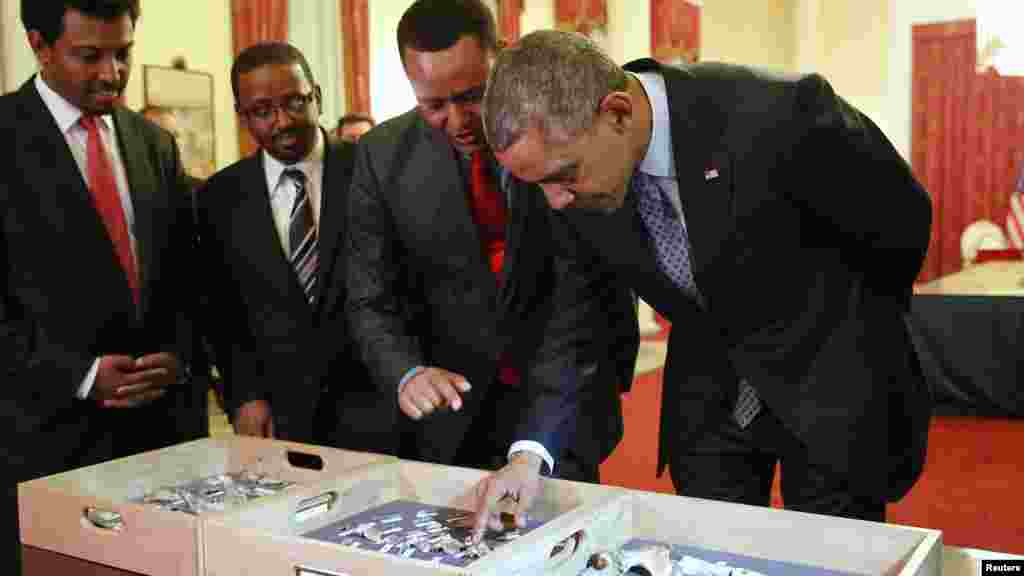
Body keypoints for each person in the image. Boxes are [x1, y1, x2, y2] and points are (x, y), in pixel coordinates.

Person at [473, 29, 932, 533]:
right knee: (710, 552)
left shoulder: (780, 114)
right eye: (539, 185)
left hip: (827, 385)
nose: (556, 200)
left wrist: (846, 332)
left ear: (619, 113)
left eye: (565, 176)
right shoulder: (570, 182)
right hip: (710, 397)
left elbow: (901, 224)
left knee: (833, 555)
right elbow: (574, 320)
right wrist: (529, 456)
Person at [346, 0, 636, 490]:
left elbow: (580, 294)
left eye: (472, 95)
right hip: (450, 417)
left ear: (499, 56)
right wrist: (405, 373)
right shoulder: (382, 156)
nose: (457, 120)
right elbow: (370, 296)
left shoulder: (557, 128)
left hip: (562, 399)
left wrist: (536, 441)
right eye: (433, 105)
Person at [1, 0, 200, 570]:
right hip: (45, 442)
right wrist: (82, 376)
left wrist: (180, 357)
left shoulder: (154, 145)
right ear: (39, 46)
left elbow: (188, 279)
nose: (112, 72)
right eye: (90, 56)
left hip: (160, 444)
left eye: (124, 53)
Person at [196, 42, 383, 451]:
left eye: (295, 102)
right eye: (263, 111)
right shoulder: (220, 198)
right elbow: (222, 312)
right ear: (242, 115)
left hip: (380, 409)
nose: (283, 121)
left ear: (317, 96)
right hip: (280, 417)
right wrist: (244, 395)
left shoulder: (372, 167)